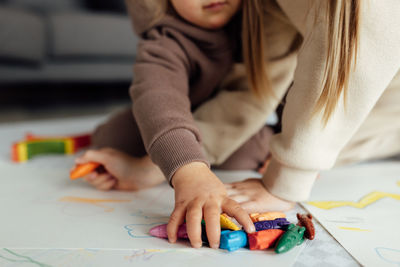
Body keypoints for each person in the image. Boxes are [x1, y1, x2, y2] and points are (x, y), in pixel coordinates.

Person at [76, 0, 400, 249]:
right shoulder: (166, 40)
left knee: (249, 149)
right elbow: (160, 97)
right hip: (192, 119)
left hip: (366, 98)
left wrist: (291, 165)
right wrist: (187, 170)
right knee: (114, 136)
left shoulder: (251, 17)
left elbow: (278, 87)